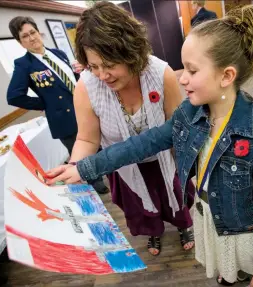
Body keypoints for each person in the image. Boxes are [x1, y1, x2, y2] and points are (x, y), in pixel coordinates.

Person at [47, 5, 253, 287]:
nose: (182, 78)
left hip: (243, 232)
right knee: (226, 272)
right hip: (211, 222)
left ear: (226, 76)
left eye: (191, 70)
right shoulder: (190, 115)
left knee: (245, 273)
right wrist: (83, 167)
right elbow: (142, 144)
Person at [46, 2, 195, 256]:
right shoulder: (87, 87)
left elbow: (178, 130)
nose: (102, 75)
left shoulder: (161, 74)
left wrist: (187, 168)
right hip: (124, 168)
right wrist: (75, 166)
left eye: (109, 64)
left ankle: (184, 228)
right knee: (141, 210)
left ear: (130, 51)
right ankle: (154, 235)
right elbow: (86, 138)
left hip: (164, 162)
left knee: (177, 201)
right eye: (93, 66)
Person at [6, 16, 108, 195]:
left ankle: (108, 171)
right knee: (80, 153)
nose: (31, 38)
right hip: (63, 118)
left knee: (97, 143)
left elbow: (67, 81)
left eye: (33, 32)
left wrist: (79, 75)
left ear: (39, 32)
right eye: (25, 36)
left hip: (84, 108)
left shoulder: (58, 54)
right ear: (20, 42)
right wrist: (45, 104)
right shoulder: (23, 64)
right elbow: (14, 96)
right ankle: (95, 181)